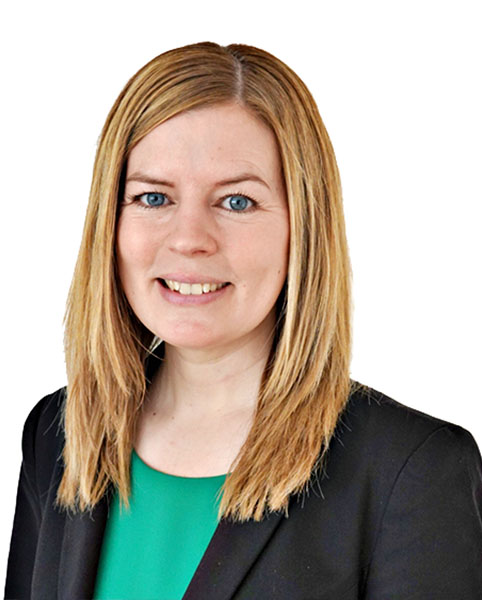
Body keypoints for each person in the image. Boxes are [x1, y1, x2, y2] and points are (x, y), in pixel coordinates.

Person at [4, 41, 482, 600]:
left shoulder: (413, 472)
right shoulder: (59, 434)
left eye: (236, 202)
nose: (189, 239)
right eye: (153, 198)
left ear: (303, 230)